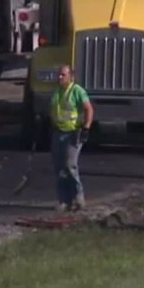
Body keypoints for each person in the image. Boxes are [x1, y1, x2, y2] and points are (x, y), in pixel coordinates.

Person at [49, 65, 94, 212]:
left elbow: (88, 108)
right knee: (59, 167)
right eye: (59, 75)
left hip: (73, 133)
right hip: (58, 132)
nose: (60, 77)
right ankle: (64, 200)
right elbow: (54, 109)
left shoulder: (77, 91)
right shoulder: (57, 91)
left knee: (70, 165)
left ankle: (78, 197)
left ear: (71, 76)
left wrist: (86, 127)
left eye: (63, 75)